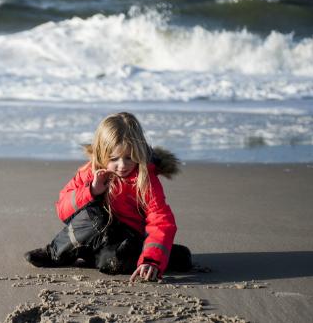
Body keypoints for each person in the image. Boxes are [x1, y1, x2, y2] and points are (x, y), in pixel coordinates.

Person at [24, 112, 192, 282]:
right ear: (100, 153)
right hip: (95, 233)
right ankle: (55, 253)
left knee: (114, 261)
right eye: (114, 158)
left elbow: (161, 220)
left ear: (139, 152)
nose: (122, 165)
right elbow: (63, 209)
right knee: (91, 217)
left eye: (129, 157)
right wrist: (91, 190)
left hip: (125, 239)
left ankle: (162, 256)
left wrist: (151, 260)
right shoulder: (90, 172)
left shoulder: (145, 180)